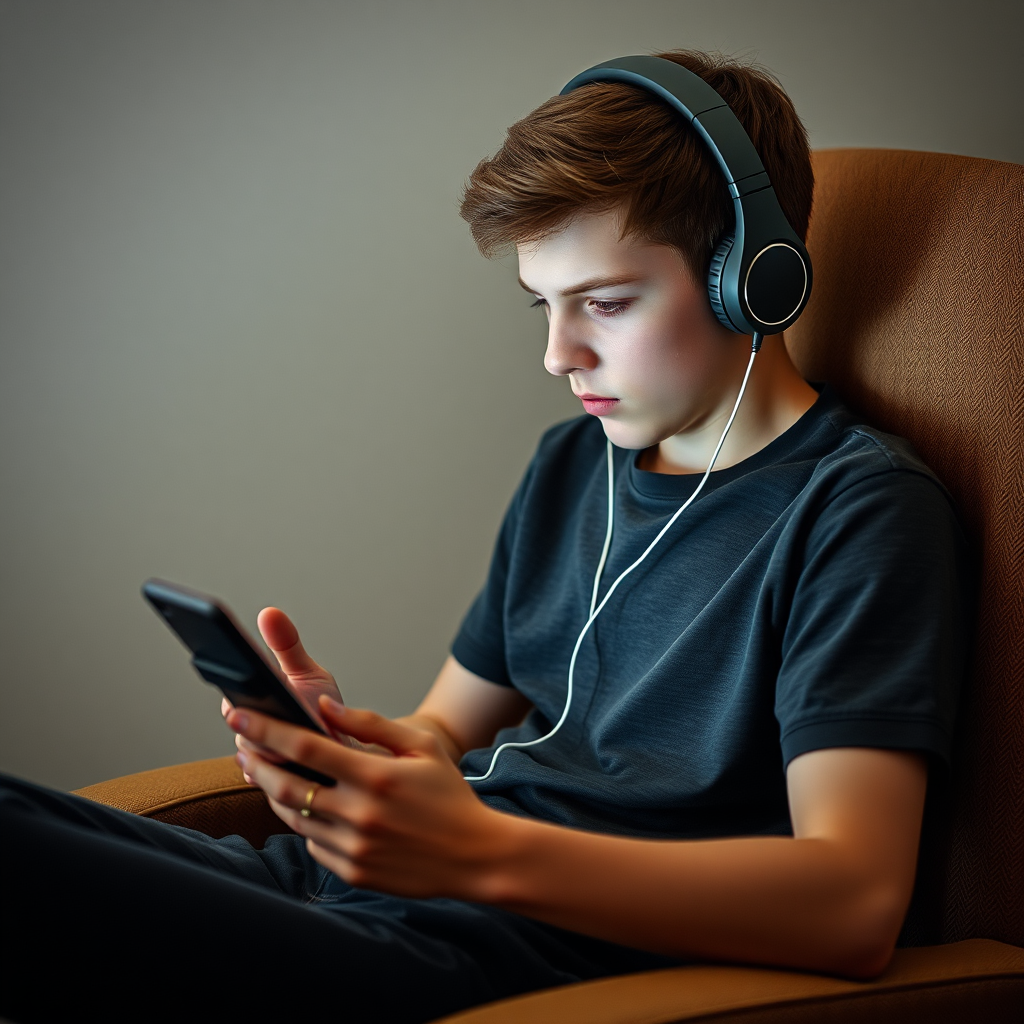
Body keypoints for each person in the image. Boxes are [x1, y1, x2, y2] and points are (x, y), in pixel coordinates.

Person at [0, 50, 968, 1024]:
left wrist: (477, 852)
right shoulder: (568, 464)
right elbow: (438, 734)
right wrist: (342, 754)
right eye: (543, 305)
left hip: (461, 952)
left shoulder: (858, 511)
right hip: (328, 885)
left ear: (751, 281)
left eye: (605, 302)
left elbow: (852, 903)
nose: (557, 355)